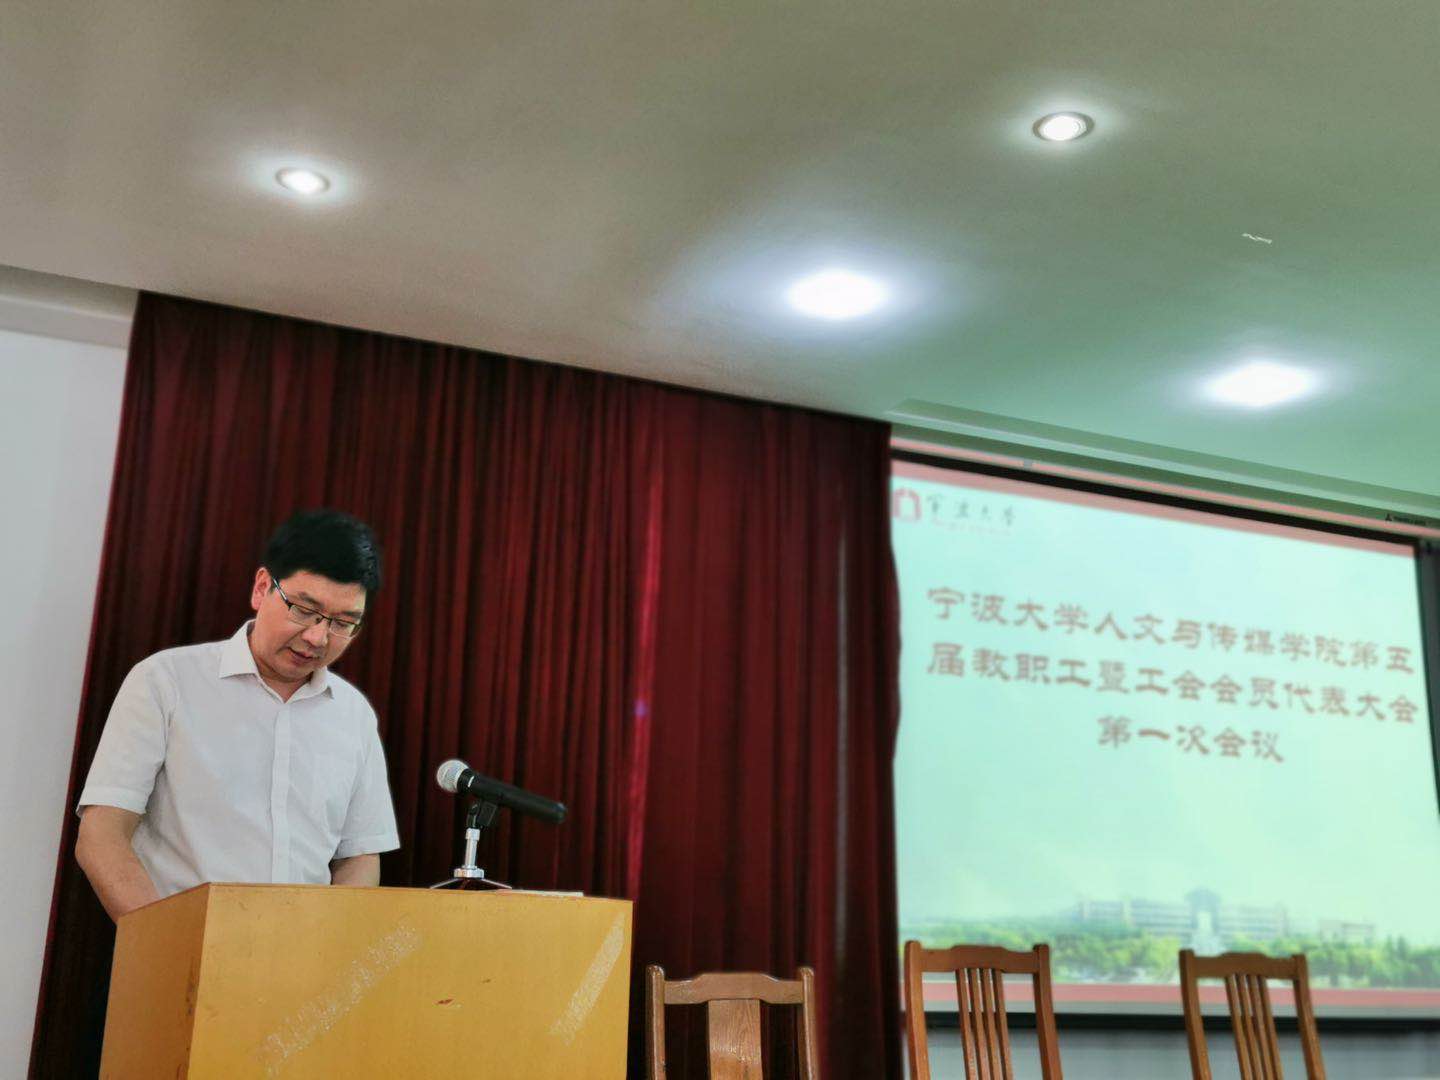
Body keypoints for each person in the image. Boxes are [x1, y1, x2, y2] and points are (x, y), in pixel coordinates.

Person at [75, 509, 400, 921]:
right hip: (181, 946)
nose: (318, 637)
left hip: (301, 954)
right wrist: (167, 942)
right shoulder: (166, 681)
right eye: (304, 610)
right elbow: (102, 836)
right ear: (262, 588)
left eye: (343, 622)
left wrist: (328, 943)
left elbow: (359, 856)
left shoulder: (353, 715)